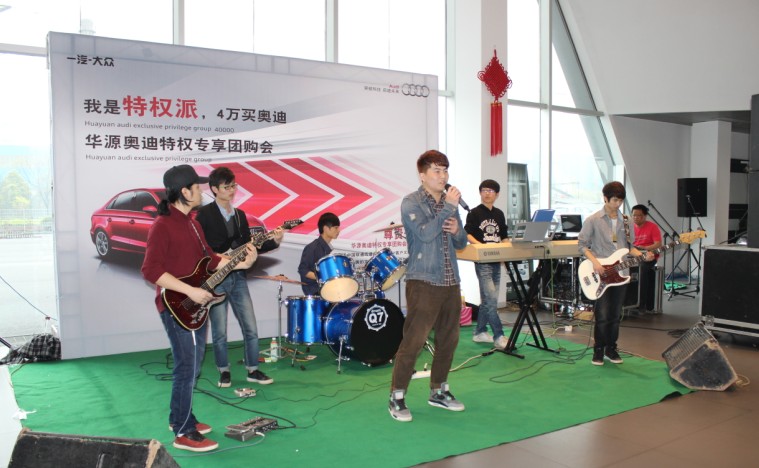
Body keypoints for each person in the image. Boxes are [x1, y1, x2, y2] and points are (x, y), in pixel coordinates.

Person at [141, 164, 257, 452]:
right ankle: (184, 432)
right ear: (184, 191)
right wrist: (191, 291)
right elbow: (150, 270)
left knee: (191, 365)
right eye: (197, 187)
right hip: (178, 306)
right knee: (187, 368)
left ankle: (180, 417)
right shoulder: (162, 226)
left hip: (195, 304)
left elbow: (210, 259)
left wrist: (240, 262)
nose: (201, 191)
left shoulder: (192, 222)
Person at [388, 149, 468, 422]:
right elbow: (423, 234)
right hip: (423, 281)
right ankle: (397, 396)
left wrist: (458, 232)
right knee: (414, 341)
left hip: (450, 281)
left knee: (449, 340)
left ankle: (439, 391)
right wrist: (448, 209)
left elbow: (461, 243)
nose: (442, 176)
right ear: (422, 175)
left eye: (445, 170)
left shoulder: (448, 204)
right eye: (436, 170)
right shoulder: (412, 202)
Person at [196, 167, 282, 388]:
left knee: (250, 326)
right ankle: (223, 371)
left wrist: (274, 240)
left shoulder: (240, 215)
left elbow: (248, 246)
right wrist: (221, 257)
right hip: (216, 279)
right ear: (214, 189)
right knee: (219, 331)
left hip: (239, 278)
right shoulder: (203, 215)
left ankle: (253, 369)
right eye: (227, 186)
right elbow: (201, 249)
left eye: (233, 186)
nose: (232, 190)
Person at [578, 182, 653, 366]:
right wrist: (595, 263)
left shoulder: (627, 221)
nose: (617, 204)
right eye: (614, 200)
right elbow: (582, 245)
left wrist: (643, 255)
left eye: (620, 201)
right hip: (600, 272)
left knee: (615, 315)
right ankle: (598, 350)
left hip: (621, 273)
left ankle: (611, 349)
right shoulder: (593, 220)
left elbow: (630, 247)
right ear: (605, 198)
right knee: (602, 315)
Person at [464, 179, 508, 349]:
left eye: (491, 191)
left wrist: (508, 251)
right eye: (484, 190)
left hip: (497, 260)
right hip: (483, 261)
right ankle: (499, 335)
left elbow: (504, 236)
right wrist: (480, 247)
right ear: (480, 193)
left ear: (497, 194)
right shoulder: (474, 213)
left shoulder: (499, 214)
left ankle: (480, 332)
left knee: (488, 299)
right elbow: (467, 233)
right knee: (491, 299)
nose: (487, 193)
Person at [298, 212, 341, 296]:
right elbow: (303, 270)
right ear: (325, 228)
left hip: (325, 290)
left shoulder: (327, 248)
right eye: (336, 228)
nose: (338, 230)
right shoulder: (312, 248)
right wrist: (323, 276)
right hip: (315, 292)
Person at [631, 204, 662, 314]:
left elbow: (658, 244)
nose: (635, 218)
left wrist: (645, 248)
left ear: (645, 216)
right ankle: (627, 302)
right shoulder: (629, 227)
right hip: (633, 255)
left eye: (638, 215)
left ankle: (641, 304)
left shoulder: (652, 227)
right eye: (634, 215)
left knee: (642, 269)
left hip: (649, 256)